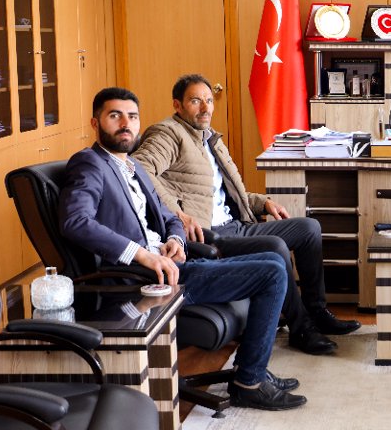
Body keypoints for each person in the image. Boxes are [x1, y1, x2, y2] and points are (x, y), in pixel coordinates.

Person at [60, 87, 306, 410]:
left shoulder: (133, 167)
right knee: (272, 273)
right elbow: (76, 221)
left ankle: (251, 369)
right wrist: (142, 254)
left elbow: (169, 217)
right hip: (143, 278)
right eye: (115, 116)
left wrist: (175, 240)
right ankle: (250, 382)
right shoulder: (90, 163)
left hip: (172, 264)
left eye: (132, 117)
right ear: (95, 123)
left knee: (272, 258)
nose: (125, 124)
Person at [134, 74, 361, 356]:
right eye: (195, 101)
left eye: (208, 100)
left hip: (237, 224)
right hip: (209, 234)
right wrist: (178, 214)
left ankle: (317, 312)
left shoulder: (211, 138)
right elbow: (140, 168)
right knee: (275, 246)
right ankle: (301, 328)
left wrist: (262, 202)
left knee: (309, 228)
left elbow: (224, 192)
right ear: (177, 105)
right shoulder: (168, 133)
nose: (205, 108)